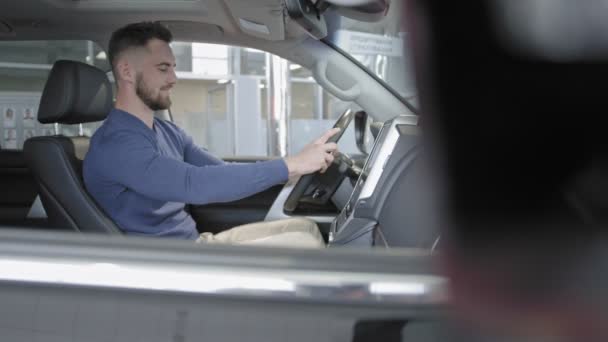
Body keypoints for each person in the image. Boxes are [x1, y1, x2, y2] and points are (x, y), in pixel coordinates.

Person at [84, 22, 338, 248]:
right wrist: (292, 164)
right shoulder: (116, 145)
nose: (174, 78)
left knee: (305, 229)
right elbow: (193, 184)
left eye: (173, 67)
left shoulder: (165, 131)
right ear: (127, 72)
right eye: (163, 68)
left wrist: (297, 168)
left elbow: (219, 171)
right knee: (304, 245)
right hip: (165, 263)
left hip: (195, 244)